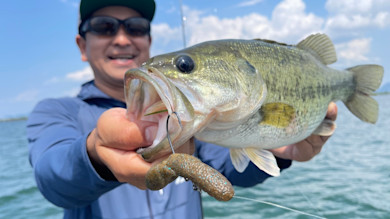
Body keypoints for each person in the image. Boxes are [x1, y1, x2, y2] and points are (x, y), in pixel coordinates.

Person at [27, 0, 338, 218]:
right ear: (82, 46)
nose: (122, 39)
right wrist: (95, 153)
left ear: (148, 41)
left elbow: (229, 171)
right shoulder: (57, 112)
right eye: (104, 27)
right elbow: (52, 180)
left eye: (135, 28)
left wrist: (280, 152)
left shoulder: (192, 114)